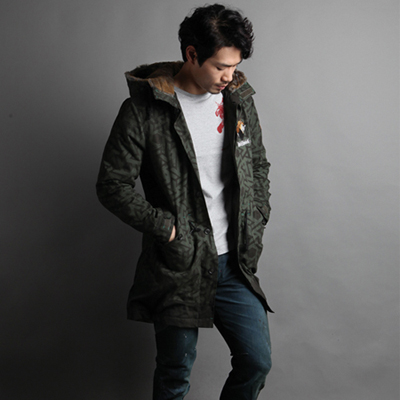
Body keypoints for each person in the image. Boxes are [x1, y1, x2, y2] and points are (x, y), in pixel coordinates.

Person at [96, 4, 273, 399]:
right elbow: (112, 184)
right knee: (175, 372)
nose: (230, 76)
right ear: (192, 54)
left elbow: (258, 164)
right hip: (179, 262)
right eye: (220, 66)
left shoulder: (239, 100)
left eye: (235, 66)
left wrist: (257, 216)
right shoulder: (143, 111)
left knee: (256, 361)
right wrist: (168, 229)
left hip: (233, 261)